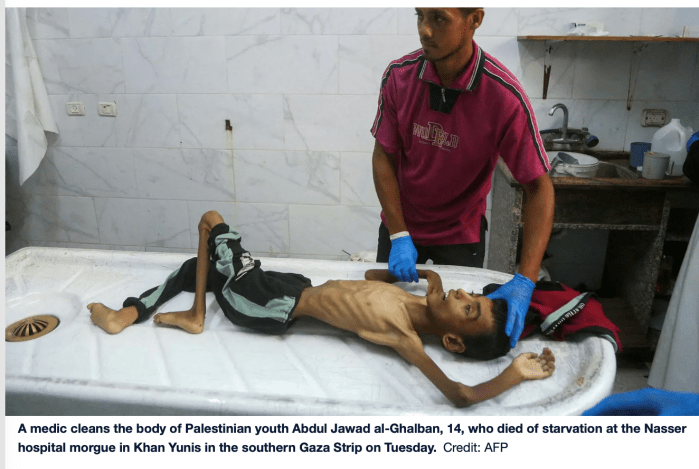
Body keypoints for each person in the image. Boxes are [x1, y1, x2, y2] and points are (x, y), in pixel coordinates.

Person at [87, 211, 555, 408]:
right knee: (198, 266)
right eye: (473, 297)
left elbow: (459, 394)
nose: (465, 296)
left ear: (451, 339)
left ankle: (195, 317)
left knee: (211, 223)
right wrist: (422, 278)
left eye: (469, 310)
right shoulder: (409, 301)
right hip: (296, 287)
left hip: (271, 306)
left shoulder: (403, 335)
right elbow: (369, 278)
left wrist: (513, 374)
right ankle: (133, 313)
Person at [370, 7, 555, 349]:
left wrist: (526, 279)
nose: (425, 30)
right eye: (420, 16)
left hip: (459, 236)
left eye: (439, 18)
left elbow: (538, 187)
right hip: (401, 229)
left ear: (475, 19)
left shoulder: (503, 96)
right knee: (386, 326)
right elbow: (384, 155)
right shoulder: (399, 77)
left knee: (454, 338)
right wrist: (398, 234)